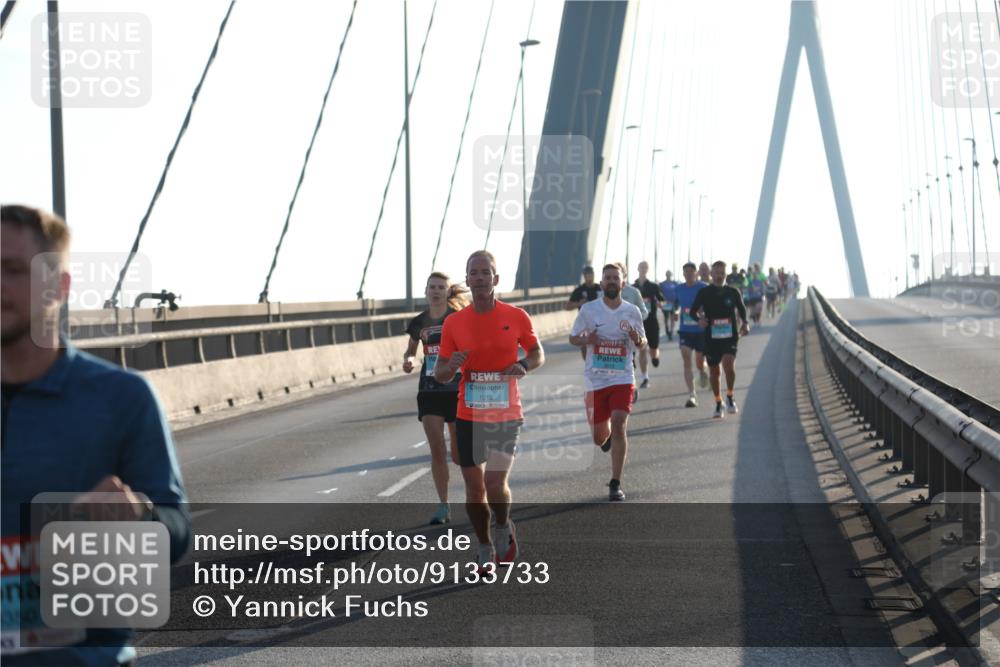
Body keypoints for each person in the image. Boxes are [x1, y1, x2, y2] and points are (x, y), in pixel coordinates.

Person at [1, 204, 190, 666]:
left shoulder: (121, 398)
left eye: (11, 270)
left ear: (59, 287)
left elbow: (176, 531)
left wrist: (139, 518)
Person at [435, 250, 544, 571]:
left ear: (495, 279)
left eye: (486, 272)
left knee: (495, 484)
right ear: (467, 281)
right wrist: (450, 366)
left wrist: (524, 365)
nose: (480, 278)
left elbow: (537, 354)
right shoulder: (454, 323)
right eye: (474, 273)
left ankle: (502, 526)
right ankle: (483, 544)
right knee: (474, 488)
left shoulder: (516, 316)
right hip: (468, 414)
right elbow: (440, 372)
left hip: (505, 413)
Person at [569, 264, 645, 501]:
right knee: (598, 437)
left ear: (623, 284)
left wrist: (637, 338)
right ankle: (607, 437)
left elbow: (642, 343)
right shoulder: (589, 310)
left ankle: (615, 482)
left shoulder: (632, 311)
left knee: (620, 421)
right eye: (607, 278)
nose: (611, 281)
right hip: (595, 380)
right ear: (601, 284)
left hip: (622, 377)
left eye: (616, 278)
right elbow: (573, 338)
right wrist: (586, 338)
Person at [403, 273, 467, 525]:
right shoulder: (419, 322)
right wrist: (408, 360)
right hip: (429, 391)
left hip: (456, 389)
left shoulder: (458, 318)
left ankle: (475, 493)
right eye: (432, 287)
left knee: (459, 453)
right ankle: (443, 506)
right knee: (437, 449)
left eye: (442, 287)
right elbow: (410, 351)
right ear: (426, 290)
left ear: (448, 291)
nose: (436, 291)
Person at [690, 260, 750, 419]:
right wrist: (699, 321)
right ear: (711, 274)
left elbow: (742, 309)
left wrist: (745, 323)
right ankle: (718, 401)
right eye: (716, 273)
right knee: (714, 372)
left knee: (728, 364)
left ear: (726, 274)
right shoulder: (704, 292)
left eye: (722, 273)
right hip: (711, 337)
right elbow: (692, 311)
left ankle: (730, 396)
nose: (719, 276)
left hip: (730, 336)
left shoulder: (733, 292)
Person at [671, 262, 710, 407]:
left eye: (690, 271)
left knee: (699, 361)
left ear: (696, 273)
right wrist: (675, 312)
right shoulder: (679, 288)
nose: (688, 274)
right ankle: (692, 394)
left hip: (700, 331)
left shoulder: (703, 287)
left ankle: (701, 370)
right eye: (685, 272)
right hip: (685, 330)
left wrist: (704, 316)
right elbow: (676, 305)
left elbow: (710, 305)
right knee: (686, 359)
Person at [632, 261, 665, 388]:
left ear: (647, 269)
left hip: (652, 322)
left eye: (645, 267)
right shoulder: (633, 287)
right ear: (638, 269)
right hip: (638, 323)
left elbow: (662, 300)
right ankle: (645, 377)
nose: (643, 269)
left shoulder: (653, 286)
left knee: (653, 350)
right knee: (642, 349)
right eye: (641, 267)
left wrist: (660, 303)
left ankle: (655, 357)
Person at [659, 270, 678, 342]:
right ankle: (667, 331)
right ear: (665, 275)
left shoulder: (675, 283)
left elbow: (677, 292)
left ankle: (671, 331)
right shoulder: (662, 284)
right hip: (666, 303)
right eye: (667, 274)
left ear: (671, 275)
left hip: (673, 303)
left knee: (672, 318)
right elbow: (660, 293)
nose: (668, 275)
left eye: (669, 274)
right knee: (666, 318)